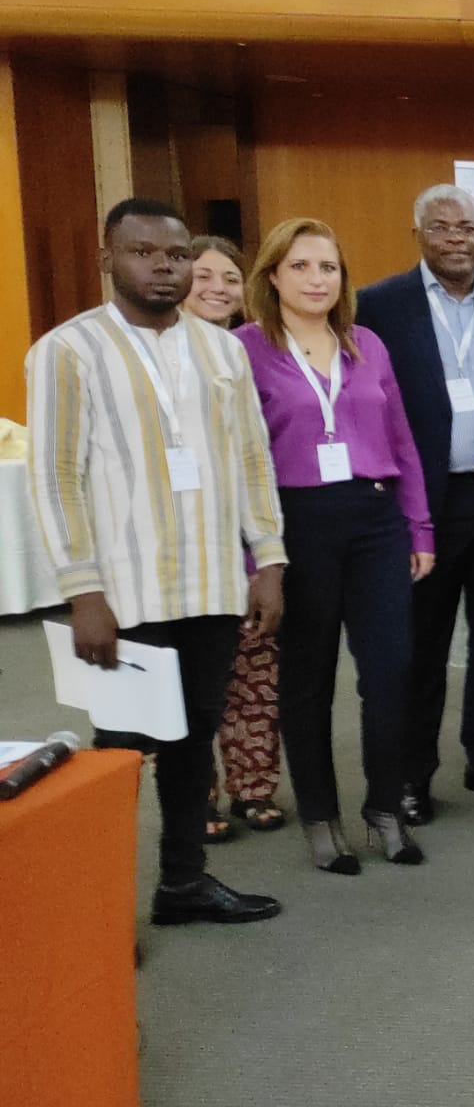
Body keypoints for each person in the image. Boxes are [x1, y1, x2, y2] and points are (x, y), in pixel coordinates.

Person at [26, 197, 284, 924]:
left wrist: (268, 559)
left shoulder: (221, 349)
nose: (162, 267)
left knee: (193, 741)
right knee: (119, 755)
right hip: (124, 593)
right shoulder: (67, 350)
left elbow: (250, 461)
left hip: (208, 584)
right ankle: (101, 915)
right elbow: (55, 478)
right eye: (143, 252)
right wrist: (82, 591)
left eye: (174, 255)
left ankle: (183, 884)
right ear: (109, 259)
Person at [235, 218, 434, 870]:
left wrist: (419, 526)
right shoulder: (244, 349)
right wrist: (254, 556)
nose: (317, 279)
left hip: (376, 519)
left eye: (328, 267)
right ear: (272, 276)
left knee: (390, 669)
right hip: (297, 523)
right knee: (307, 676)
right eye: (301, 266)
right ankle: (320, 817)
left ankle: (383, 807)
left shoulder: (367, 344)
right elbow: (237, 459)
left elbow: (401, 440)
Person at [356, 184, 474, 822]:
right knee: (424, 645)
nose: (457, 239)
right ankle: (413, 776)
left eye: (467, 227)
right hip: (424, 504)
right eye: (442, 228)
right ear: (420, 234)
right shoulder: (380, 306)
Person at [182, 236, 285, 841]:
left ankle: (254, 787)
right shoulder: (158, 353)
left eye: (229, 277)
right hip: (182, 552)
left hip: (247, 543)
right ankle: (198, 796)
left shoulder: (247, 351)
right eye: (204, 276)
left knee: (254, 675)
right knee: (193, 685)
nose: (218, 287)